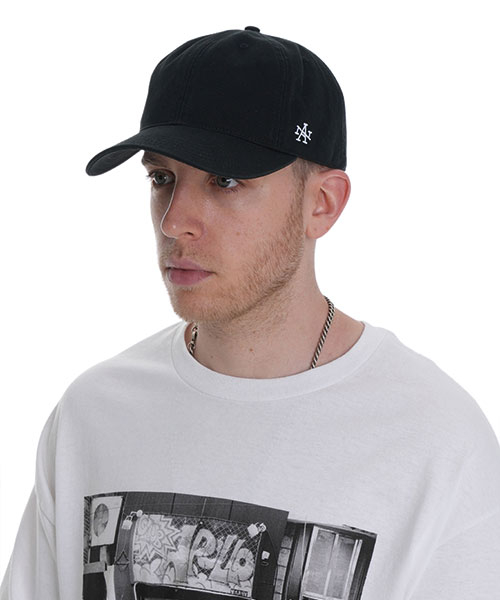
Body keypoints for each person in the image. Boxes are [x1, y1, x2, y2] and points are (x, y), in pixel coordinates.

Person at [1, 26, 499, 600]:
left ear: (322, 204)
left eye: (226, 180)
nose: (174, 221)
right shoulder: (93, 415)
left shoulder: (435, 443)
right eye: (162, 178)